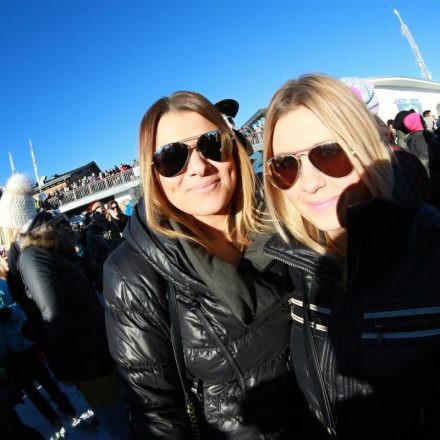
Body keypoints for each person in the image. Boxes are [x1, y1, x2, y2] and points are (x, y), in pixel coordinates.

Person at [104, 91, 311, 439]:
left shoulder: (287, 214)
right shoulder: (132, 274)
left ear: (234, 149)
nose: (199, 167)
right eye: (172, 158)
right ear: (154, 175)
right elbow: (157, 414)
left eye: (212, 144)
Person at [262, 74, 440, 439]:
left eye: (328, 153)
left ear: (363, 146)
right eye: (286, 166)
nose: (308, 182)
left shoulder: (431, 250)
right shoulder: (292, 269)